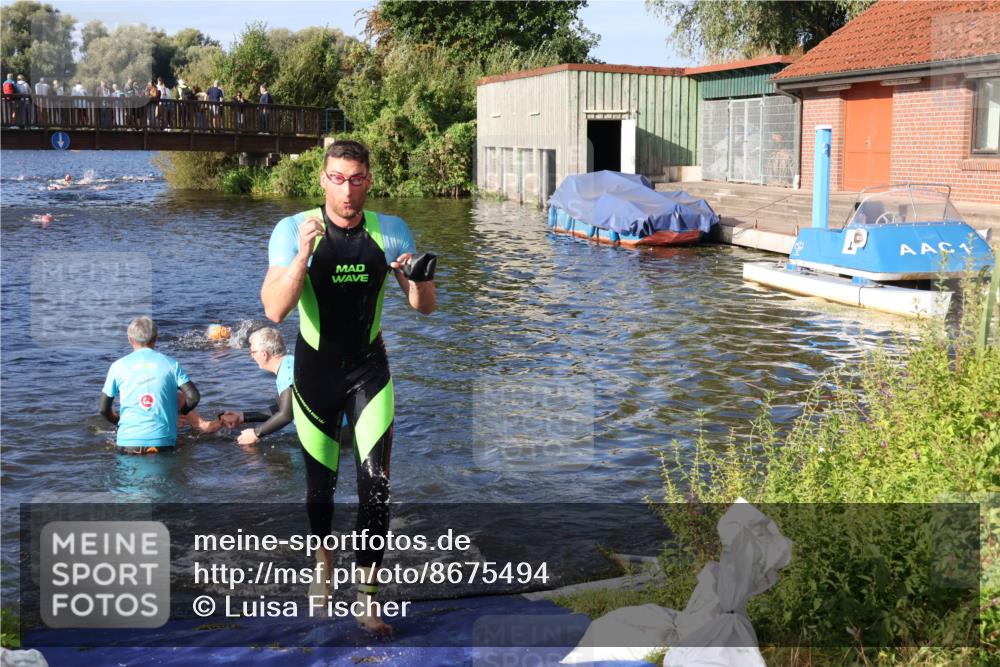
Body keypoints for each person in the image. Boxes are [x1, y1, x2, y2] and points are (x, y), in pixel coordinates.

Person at [260, 139, 436, 633]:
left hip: (369, 371)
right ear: (323, 179)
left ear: (368, 181)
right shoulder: (292, 229)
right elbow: (275, 309)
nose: (346, 190)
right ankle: (323, 562)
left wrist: (419, 276)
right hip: (315, 373)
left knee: (376, 486)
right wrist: (303, 255)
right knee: (320, 489)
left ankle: (368, 599)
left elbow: (424, 307)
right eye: (337, 178)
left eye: (356, 179)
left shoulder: (391, 231)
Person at [99, 317, 202, 454]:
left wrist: (117, 421)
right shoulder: (171, 364)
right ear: (155, 339)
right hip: (163, 443)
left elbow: (103, 409)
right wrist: (178, 414)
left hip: (128, 443)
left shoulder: (117, 366)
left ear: (130, 339)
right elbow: (193, 397)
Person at [218, 327, 295, 445]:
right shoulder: (289, 363)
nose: (252, 356)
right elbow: (281, 408)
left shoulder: (287, 373)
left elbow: (286, 415)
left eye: (253, 352)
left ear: (264, 354)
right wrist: (242, 417)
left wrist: (255, 433)